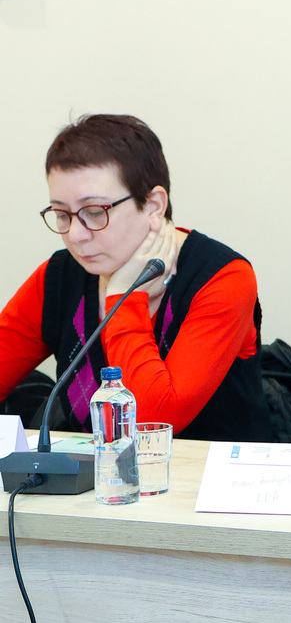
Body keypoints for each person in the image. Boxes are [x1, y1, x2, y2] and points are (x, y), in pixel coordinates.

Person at [0, 114, 272, 441]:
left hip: (207, 472)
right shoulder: (59, 277)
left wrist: (124, 297)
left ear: (154, 205)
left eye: (95, 212)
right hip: (93, 474)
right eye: (61, 214)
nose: (74, 235)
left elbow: (152, 423)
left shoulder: (223, 278)